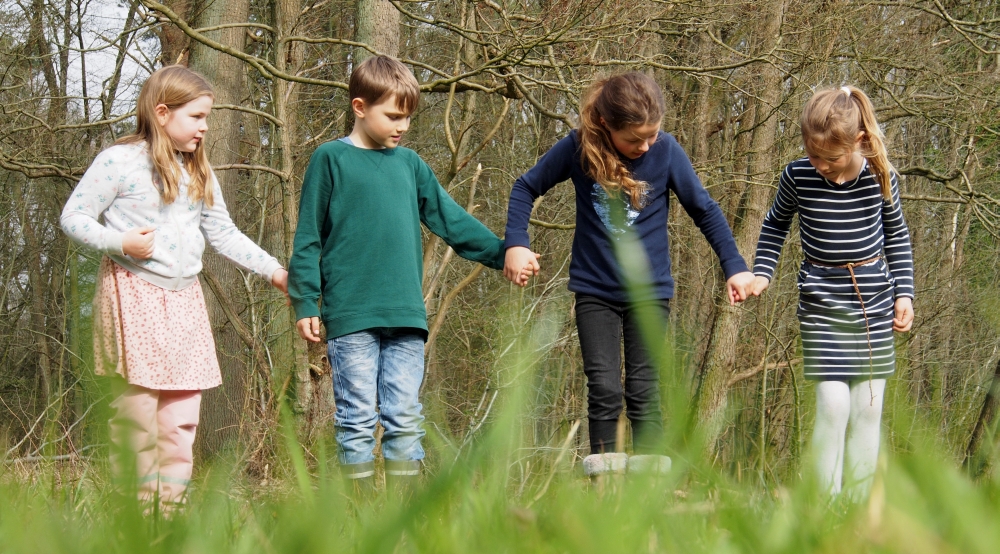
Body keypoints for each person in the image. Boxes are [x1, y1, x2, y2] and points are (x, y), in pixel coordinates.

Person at [503, 72, 755, 476]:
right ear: (606, 124)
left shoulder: (667, 152)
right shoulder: (577, 147)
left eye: (651, 135)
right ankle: (603, 488)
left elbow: (704, 210)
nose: (645, 145)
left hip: (650, 293)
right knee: (603, 389)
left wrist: (735, 266)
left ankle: (646, 495)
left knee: (644, 391)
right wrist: (516, 242)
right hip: (594, 290)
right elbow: (525, 186)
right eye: (635, 139)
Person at [288, 55, 517, 499]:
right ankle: (359, 521)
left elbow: (453, 222)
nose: (403, 126)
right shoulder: (330, 158)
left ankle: (400, 522)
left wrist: (505, 253)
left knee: (404, 416)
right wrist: (305, 302)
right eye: (393, 116)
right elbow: (308, 238)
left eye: (408, 117)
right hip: (351, 313)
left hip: (406, 316)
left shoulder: (411, 165)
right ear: (359, 107)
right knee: (355, 418)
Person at [61, 65, 288, 512]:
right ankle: (136, 516)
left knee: (182, 418)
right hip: (134, 291)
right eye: (197, 117)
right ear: (162, 113)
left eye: (208, 118)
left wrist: (275, 272)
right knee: (137, 416)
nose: (205, 127)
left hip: (185, 301)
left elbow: (223, 233)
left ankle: (172, 514)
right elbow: (74, 217)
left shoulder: (198, 170)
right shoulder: (119, 161)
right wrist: (117, 241)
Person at [748, 85, 914, 499]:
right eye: (812, 154)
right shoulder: (797, 175)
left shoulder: (880, 175)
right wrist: (762, 274)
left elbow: (897, 237)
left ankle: (857, 512)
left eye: (829, 157)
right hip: (822, 300)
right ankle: (824, 507)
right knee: (834, 405)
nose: (819, 164)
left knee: (869, 408)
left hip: (874, 300)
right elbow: (773, 227)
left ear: (858, 141)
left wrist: (904, 295)